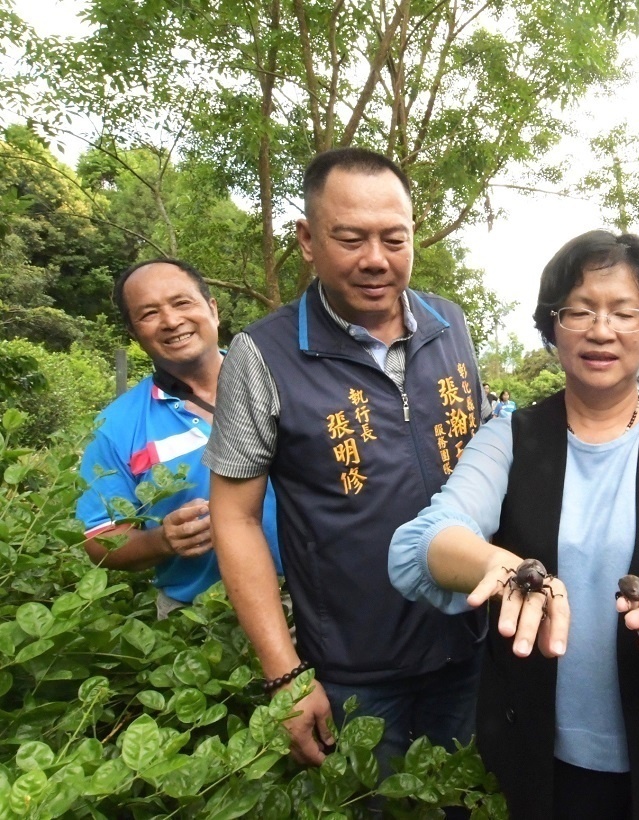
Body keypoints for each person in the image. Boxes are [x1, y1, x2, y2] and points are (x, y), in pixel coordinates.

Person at [389, 230, 639, 819]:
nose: (600, 331)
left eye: (624, 312)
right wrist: (498, 566)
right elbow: (424, 541)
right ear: (553, 324)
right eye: (579, 310)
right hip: (538, 750)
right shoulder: (511, 434)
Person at [203, 147, 486, 770]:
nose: (376, 260)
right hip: (356, 674)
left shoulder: (452, 325)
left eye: (394, 237)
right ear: (307, 239)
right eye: (350, 238)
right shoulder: (264, 355)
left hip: (469, 646)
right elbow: (236, 517)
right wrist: (286, 675)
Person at [76, 259, 282, 620]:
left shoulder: (284, 381)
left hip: (318, 595)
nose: (171, 321)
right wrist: (161, 541)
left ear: (212, 309)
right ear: (133, 332)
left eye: (182, 302)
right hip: (201, 618)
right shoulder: (115, 427)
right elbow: (99, 538)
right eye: (149, 313)